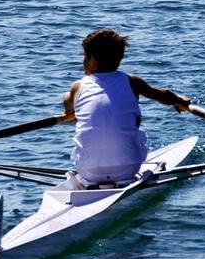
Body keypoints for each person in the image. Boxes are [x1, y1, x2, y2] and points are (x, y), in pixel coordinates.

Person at [63, 29, 191, 188]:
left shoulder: (78, 86)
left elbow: (68, 99)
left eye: (84, 57)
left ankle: (89, 182)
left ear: (92, 59)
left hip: (89, 170)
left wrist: (69, 111)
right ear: (120, 58)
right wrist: (179, 100)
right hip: (127, 169)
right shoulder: (131, 81)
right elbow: (164, 96)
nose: (83, 61)